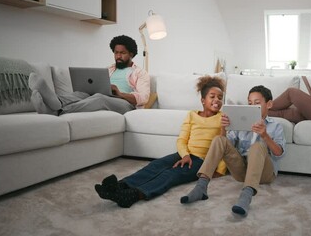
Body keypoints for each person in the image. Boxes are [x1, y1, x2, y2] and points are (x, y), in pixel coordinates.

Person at [95, 75, 227, 208]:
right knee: (156, 165)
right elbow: (182, 139)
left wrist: (219, 169)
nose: (217, 100)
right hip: (184, 154)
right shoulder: (192, 115)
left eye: (220, 98)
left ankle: (133, 195)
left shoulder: (223, 118)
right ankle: (119, 186)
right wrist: (185, 155)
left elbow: (224, 144)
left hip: (202, 161)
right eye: (212, 96)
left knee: (170, 174)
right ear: (203, 100)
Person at [180, 85, 286, 217]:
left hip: (264, 174)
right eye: (250, 103)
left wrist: (265, 135)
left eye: (257, 104)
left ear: (269, 104)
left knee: (258, 146)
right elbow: (224, 145)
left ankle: (246, 195)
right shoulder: (240, 122)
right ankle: (201, 187)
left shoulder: (276, 126)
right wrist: (224, 128)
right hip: (241, 172)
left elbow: (279, 153)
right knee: (219, 139)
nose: (253, 106)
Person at [28, 35, 150, 115]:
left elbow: (143, 97)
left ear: (131, 54)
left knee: (100, 98)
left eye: (122, 53)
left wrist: (120, 93)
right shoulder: (108, 69)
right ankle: (54, 101)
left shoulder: (140, 73)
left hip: (125, 105)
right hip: (102, 95)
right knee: (80, 94)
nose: (118, 56)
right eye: (116, 52)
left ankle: (58, 111)